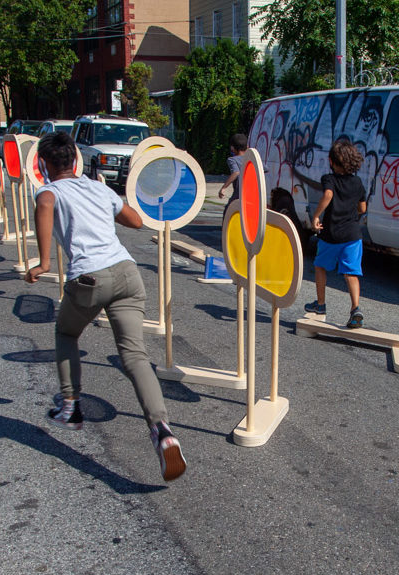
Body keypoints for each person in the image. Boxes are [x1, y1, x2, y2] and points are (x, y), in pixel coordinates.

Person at [25, 132, 186, 482]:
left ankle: (70, 407)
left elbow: (46, 206)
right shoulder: (98, 188)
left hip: (89, 279)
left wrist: (42, 262)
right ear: (76, 160)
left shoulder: (49, 190)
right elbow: (136, 221)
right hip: (127, 273)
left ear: (45, 164)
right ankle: (162, 429)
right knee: (135, 356)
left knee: (66, 332)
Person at [304, 139, 368, 328]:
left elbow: (329, 195)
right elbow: (362, 208)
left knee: (320, 266)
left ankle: (321, 305)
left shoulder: (328, 179)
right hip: (352, 235)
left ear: (331, 161)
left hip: (331, 233)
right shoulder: (357, 182)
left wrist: (316, 216)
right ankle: (355, 309)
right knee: (351, 273)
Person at [217, 133, 249, 211]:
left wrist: (223, 188)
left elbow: (236, 172)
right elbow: (265, 168)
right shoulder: (252, 159)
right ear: (247, 147)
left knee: (229, 211)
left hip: (239, 194)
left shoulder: (232, 160)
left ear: (232, 148)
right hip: (254, 193)